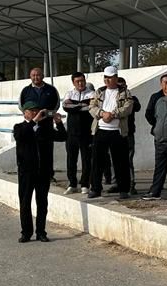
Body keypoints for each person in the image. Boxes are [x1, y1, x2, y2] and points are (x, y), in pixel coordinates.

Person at [13, 101, 67, 242]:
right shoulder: (19, 127)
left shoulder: (45, 129)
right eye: (32, 111)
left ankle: (41, 232)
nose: (35, 113)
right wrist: (34, 121)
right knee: (25, 202)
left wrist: (58, 123)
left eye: (37, 111)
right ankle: (26, 232)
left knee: (42, 203)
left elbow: (63, 137)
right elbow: (21, 136)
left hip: (43, 171)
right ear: (25, 113)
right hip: (26, 172)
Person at [87, 66, 134, 200]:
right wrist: (102, 114)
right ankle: (95, 188)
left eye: (110, 77)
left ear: (116, 78)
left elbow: (128, 107)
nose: (107, 80)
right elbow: (92, 107)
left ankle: (123, 189)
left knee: (121, 162)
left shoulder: (125, 92)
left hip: (118, 131)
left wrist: (113, 114)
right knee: (97, 161)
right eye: (106, 77)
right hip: (101, 130)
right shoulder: (99, 92)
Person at [61, 71, 95, 194]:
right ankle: (72, 184)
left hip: (86, 133)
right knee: (71, 160)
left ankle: (85, 184)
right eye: (77, 81)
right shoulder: (69, 93)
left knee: (86, 160)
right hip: (71, 133)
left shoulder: (92, 93)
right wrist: (81, 105)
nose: (80, 83)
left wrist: (75, 105)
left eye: (82, 81)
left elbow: (90, 107)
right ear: (73, 82)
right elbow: (66, 106)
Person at [116, 77, 142, 194]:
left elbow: (137, 107)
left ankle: (131, 184)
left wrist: (127, 96)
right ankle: (117, 183)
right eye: (119, 87)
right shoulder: (112, 98)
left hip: (128, 133)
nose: (122, 89)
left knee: (128, 160)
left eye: (123, 86)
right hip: (114, 132)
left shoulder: (131, 98)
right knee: (115, 160)